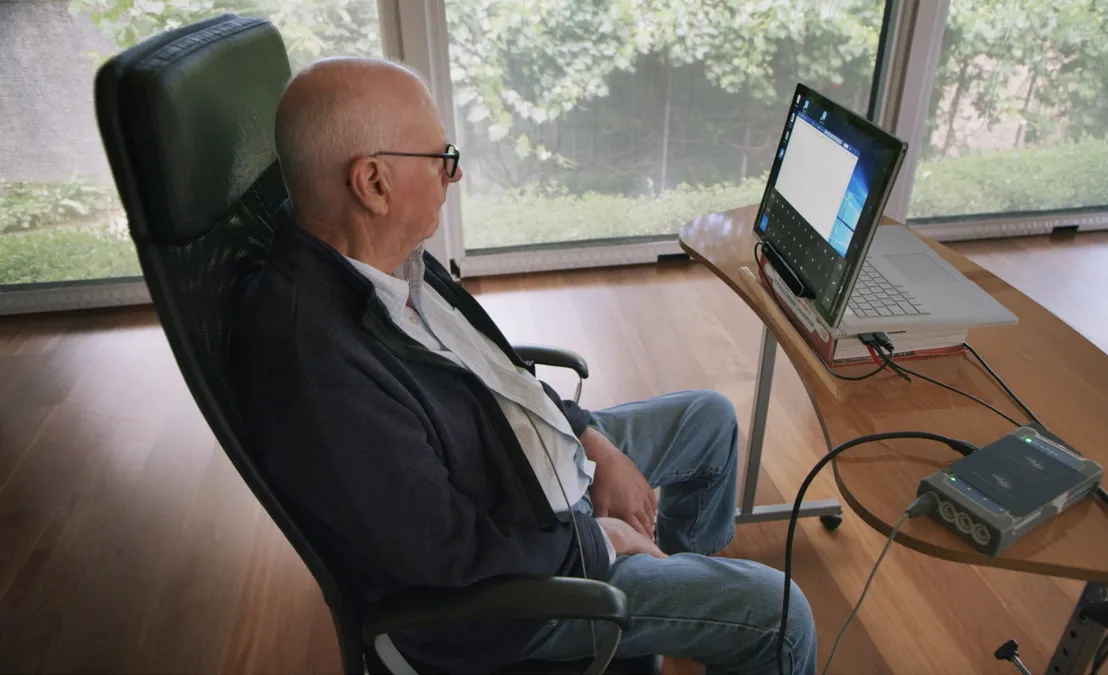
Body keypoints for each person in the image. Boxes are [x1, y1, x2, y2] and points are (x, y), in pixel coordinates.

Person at [234, 56, 816, 674]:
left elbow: (496, 372)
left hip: (526, 468)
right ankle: (644, 598)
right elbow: (449, 555)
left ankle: (665, 595)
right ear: (373, 184)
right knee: (780, 617)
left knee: (711, 419)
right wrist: (597, 543)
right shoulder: (323, 371)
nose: (451, 176)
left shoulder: (382, 252)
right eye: (440, 160)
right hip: (511, 595)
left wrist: (594, 439)